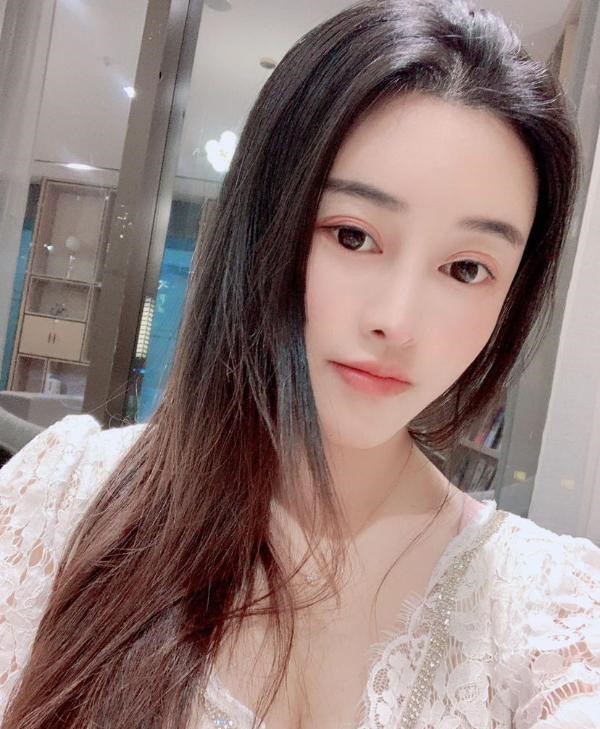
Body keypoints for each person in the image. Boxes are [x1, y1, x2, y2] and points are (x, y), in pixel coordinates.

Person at [1, 0, 599, 727]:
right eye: (352, 235)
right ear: (263, 224)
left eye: (466, 268)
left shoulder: (549, 616)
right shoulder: (60, 499)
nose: (397, 321)